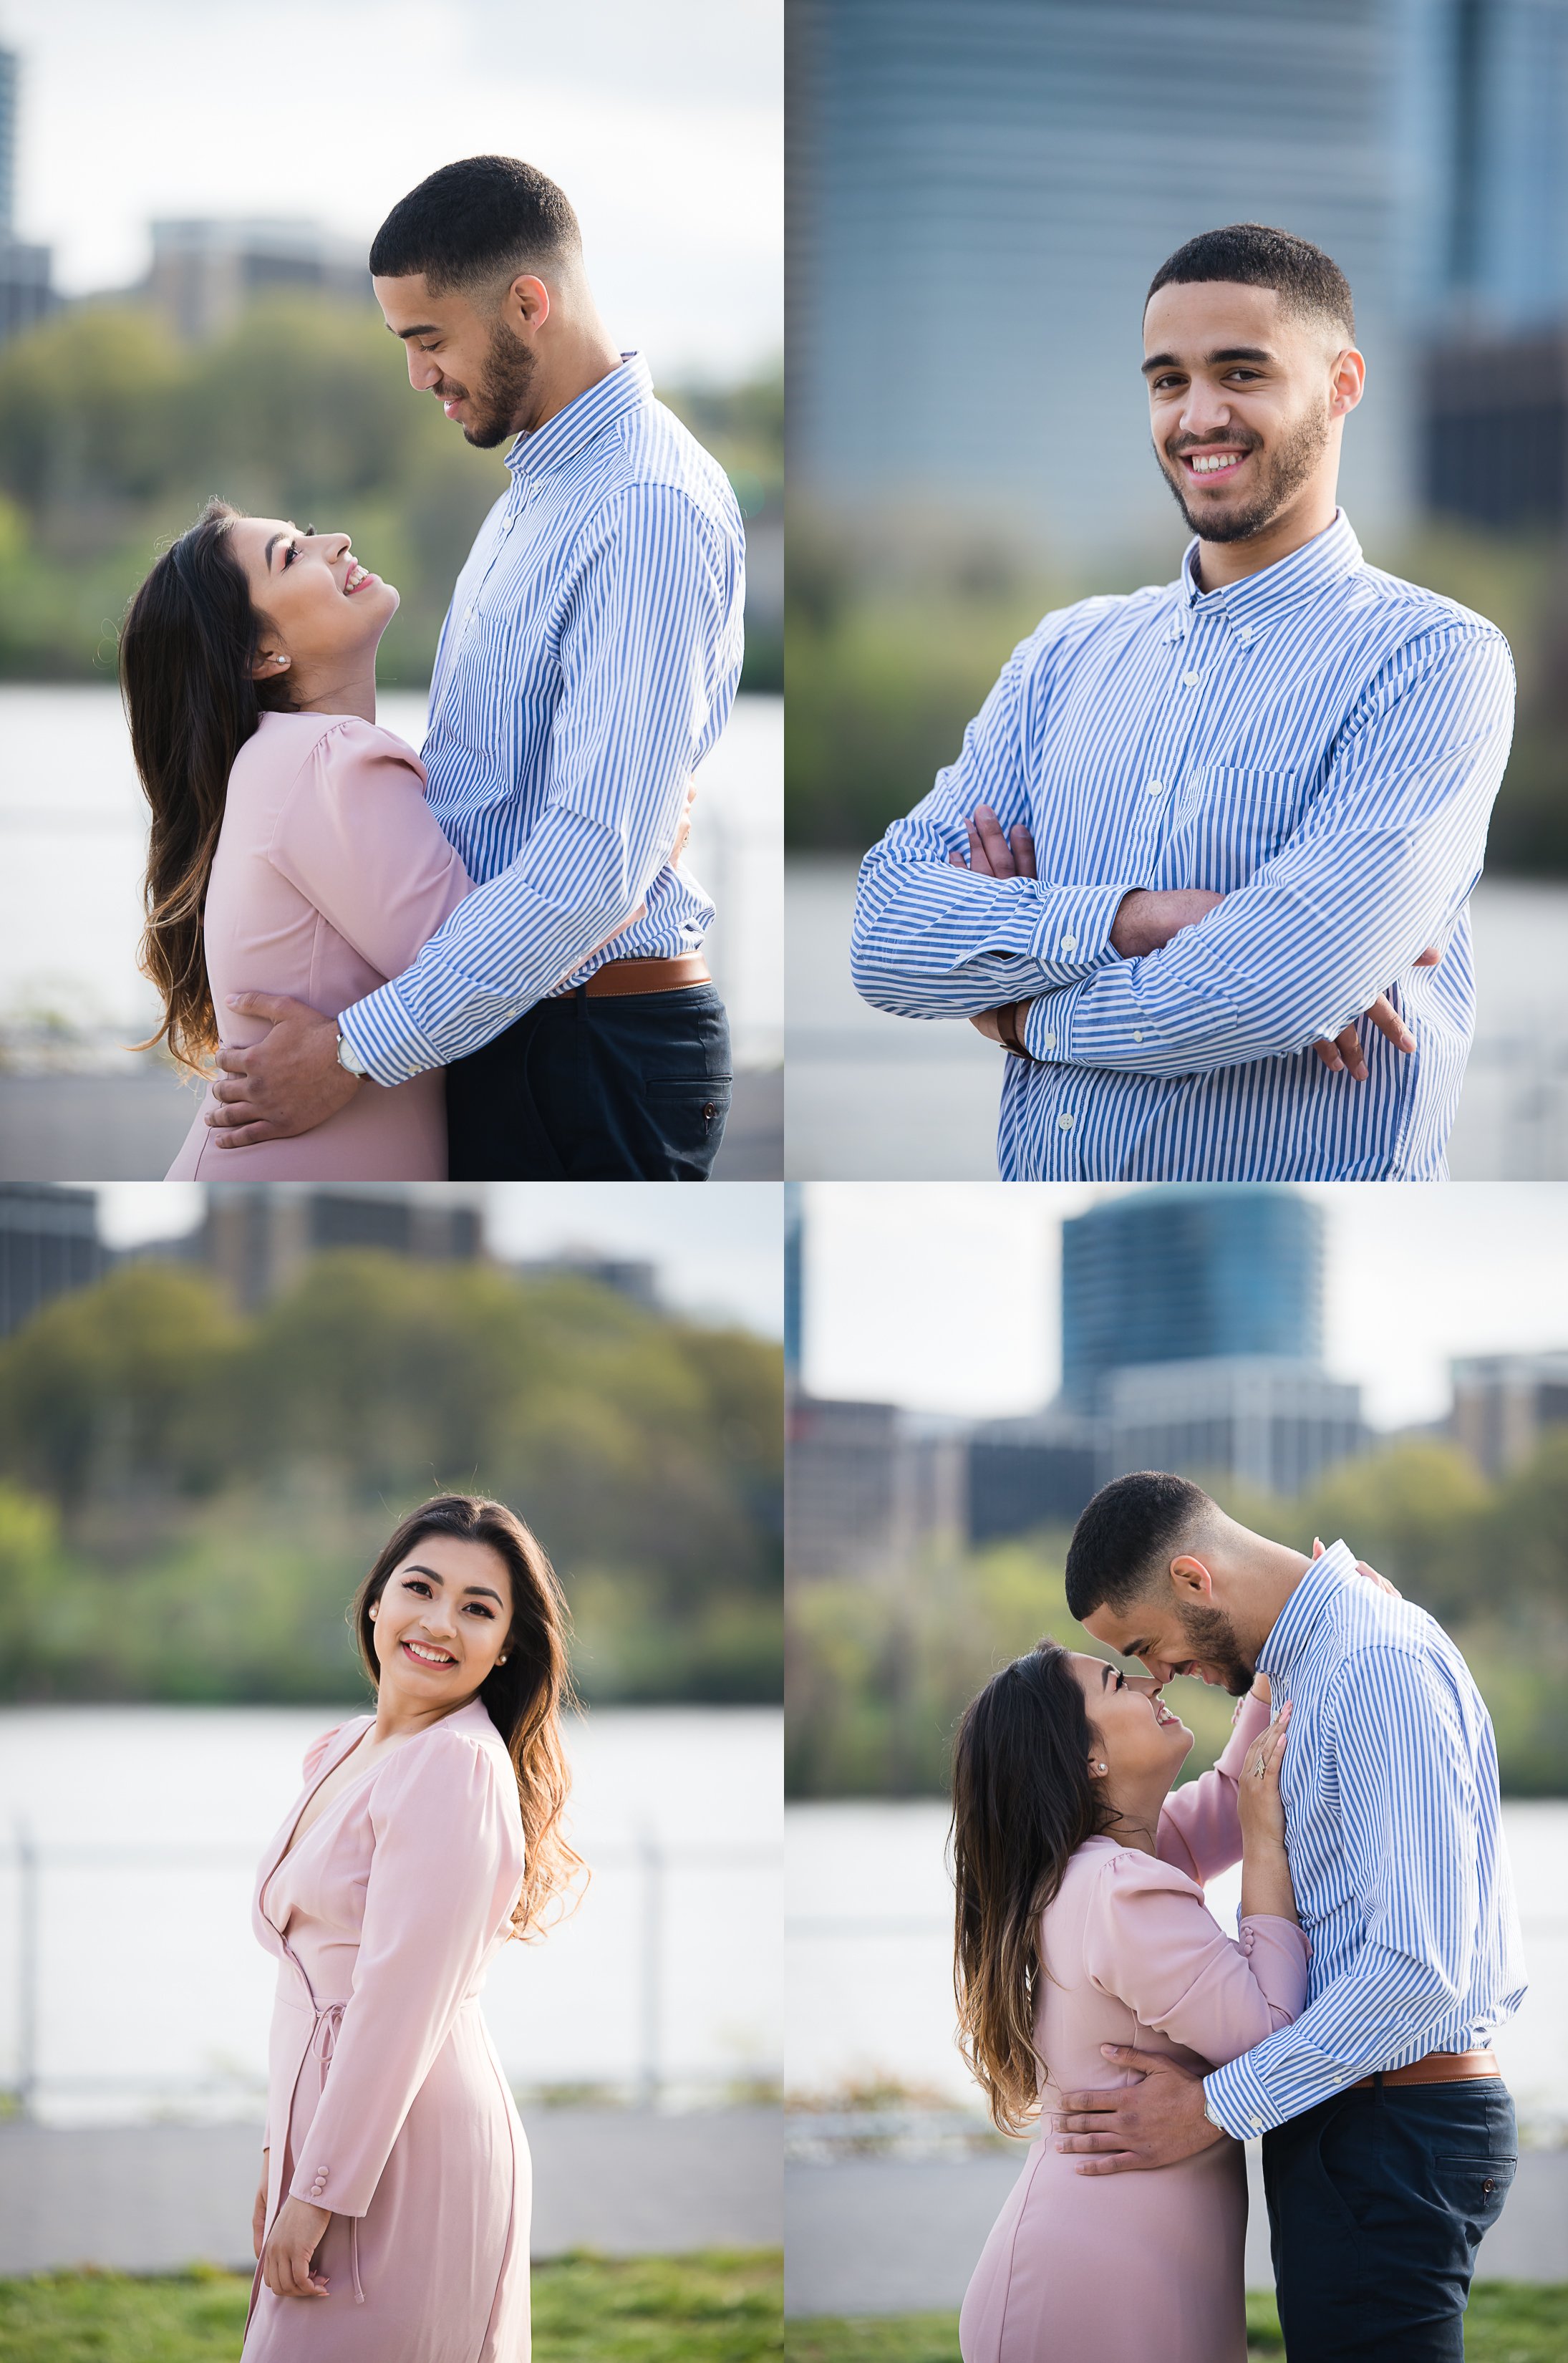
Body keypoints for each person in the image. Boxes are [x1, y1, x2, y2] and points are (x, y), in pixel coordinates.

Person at [851, 223, 1516, 1181]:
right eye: (1167, 381)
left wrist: (1012, 1011)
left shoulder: (1433, 663)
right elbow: (883, 935)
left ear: (1341, 384)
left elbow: (1271, 989)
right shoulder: (1063, 655)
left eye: (1240, 373)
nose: (1197, 416)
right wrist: (1132, 919)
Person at [200, 154, 745, 1182]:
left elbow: (595, 863)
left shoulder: (640, 507)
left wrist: (357, 1050)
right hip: (528, 1025)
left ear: (527, 304)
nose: (418, 376)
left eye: (429, 339)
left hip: (590, 1048)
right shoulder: (538, 491)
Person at [1050, 1472, 1526, 2362]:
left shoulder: (1371, 1663)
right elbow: (1212, 1814)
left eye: (1148, 1645)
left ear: (1194, 1580)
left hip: (1390, 2122)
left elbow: (1415, 1971)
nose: (1159, 1677)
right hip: (1369, 2118)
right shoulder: (1330, 1658)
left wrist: (1213, 2110)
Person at [122, 503, 651, 1179]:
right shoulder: (326, 758)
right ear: (261, 654)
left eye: (306, 535)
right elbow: (515, 954)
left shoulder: (282, 758)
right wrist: (648, 843)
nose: (336, 541)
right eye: (290, 556)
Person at [243, 1492, 581, 2360]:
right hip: (336, 2135)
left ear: (508, 1645)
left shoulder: (457, 1769)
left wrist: (317, 2188)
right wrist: (284, 2156)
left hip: (408, 2145)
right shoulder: (346, 1747)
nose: (440, 1622)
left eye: (478, 1608)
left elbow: (394, 2007)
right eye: (420, 1588)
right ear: (375, 1601)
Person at [953, 1639, 1303, 2363]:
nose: (1152, 1681)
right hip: (1099, 2282)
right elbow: (1272, 2033)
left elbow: (1229, 1793)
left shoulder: (1118, 1863)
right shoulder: (1118, 1887)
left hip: (1129, 2264)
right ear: (1090, 1760)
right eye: (1117, 1680)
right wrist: (1266, 1848)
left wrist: (1272, 1659)